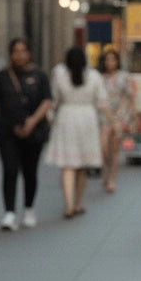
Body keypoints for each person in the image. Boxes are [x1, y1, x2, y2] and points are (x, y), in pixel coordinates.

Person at [0, 37, 53, 230]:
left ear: (29, 53)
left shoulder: (39, 75)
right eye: (15, 51)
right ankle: (10, 212)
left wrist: (33, 121)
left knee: (30, 171)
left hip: (33, 131)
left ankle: (29, 208)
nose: (19, 55)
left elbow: (47, 101)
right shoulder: (2, 76)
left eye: (22, 50)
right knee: (9, 170)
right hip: (7, 130)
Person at [45, 46, 106, 219]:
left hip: (66, 117)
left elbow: (54, 99)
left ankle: (68, 205)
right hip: (87, 118)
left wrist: (50, 117)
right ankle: (78, 203)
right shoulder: (94, 76)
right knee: (81, 166)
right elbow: (101, 101)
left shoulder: (59, 74)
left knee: (68, 164)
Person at [98, 47, 135, 193]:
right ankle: (105, 171)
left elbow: (130, 96)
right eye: (107, 59)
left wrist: (132, 115)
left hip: (120, 115)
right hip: (102, 116)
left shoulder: (123, 77)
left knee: (114, 148)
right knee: (103, 147)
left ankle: (111, 178)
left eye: (113, 59)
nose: (110, 62)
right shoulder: (99, 77)